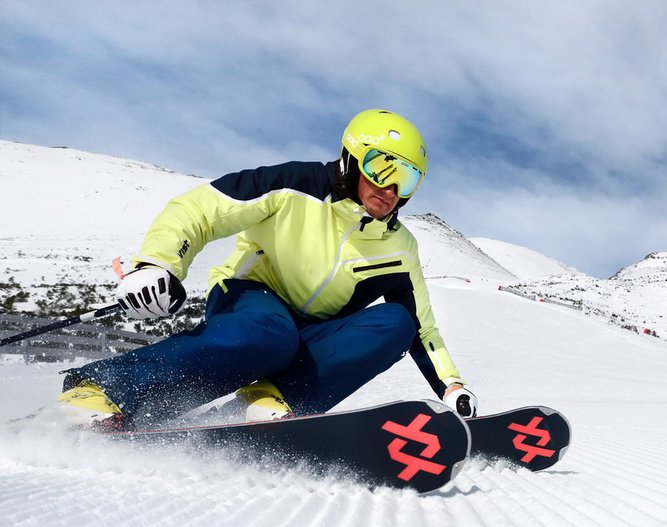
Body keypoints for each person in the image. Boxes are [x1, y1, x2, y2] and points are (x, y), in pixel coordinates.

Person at [57, 109, 477, 430]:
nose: (390, 189)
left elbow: (422, 327)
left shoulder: (399, 246)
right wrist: (158, 264)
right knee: (271, 334)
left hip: (315, 330)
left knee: (397, 323)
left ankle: (264, 399)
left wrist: (451, 386)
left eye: (407, 179)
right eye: (382, 168)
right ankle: (103, 387)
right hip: (252, 299)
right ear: (351, 158)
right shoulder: (296, 186)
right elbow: (201, 209)